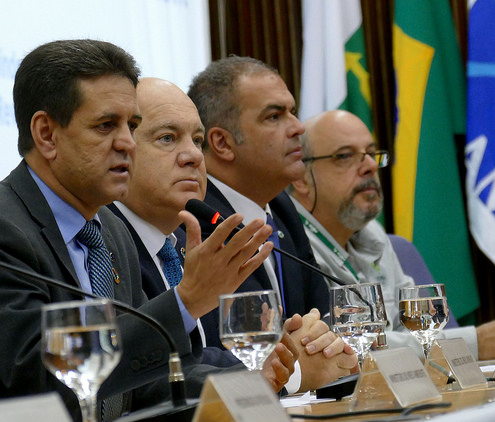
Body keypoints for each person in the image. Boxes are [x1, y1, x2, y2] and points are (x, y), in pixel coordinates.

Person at [0, 40, 288, 422]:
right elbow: (45, 383)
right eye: (106, 125)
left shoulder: (111, 230)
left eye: (132, 126)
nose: (127, 143)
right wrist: (186, 301)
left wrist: (249, 384)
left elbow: (140, 384)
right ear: (47, 134)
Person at [110, 76, 352, 392]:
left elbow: (207, 351)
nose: (194, 156)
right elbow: (149, 370)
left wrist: (297, 347)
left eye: (197, 140)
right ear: (121, 150)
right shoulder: (108, 245)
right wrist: (286, 370)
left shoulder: (185, 242)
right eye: (168, 138)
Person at [288, 110, 495, 360]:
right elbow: (343, 349)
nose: (370, 166)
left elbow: (417, 328)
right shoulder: (287, 248)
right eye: (345, 156)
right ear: (301, 177)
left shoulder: (374, 235)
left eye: (371, 153)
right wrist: (475, 343)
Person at [187, 56, 358, 385]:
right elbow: (215, 349)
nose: (298, 127)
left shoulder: (281, 207)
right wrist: (294, 366)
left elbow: (322, 315)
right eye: (274, 116)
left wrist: (323, 342)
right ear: (222, 143)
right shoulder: (195, 221)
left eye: (292, 111)